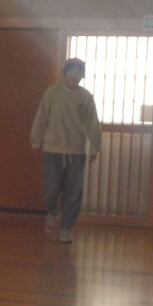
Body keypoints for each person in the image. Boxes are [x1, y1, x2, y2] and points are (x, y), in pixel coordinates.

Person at [30, 57, 102, 244]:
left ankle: (66, 228)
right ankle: (51, 212)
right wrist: (36, 141)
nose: (76, 76)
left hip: (76, 151)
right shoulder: (52, 93)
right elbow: (41, 117)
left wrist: (94, 146)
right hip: (52, 150)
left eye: (79, 72)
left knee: (74, 191)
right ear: (65, 73)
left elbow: (92, 123)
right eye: (73, 71)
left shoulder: (85, 97)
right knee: (52, 188)